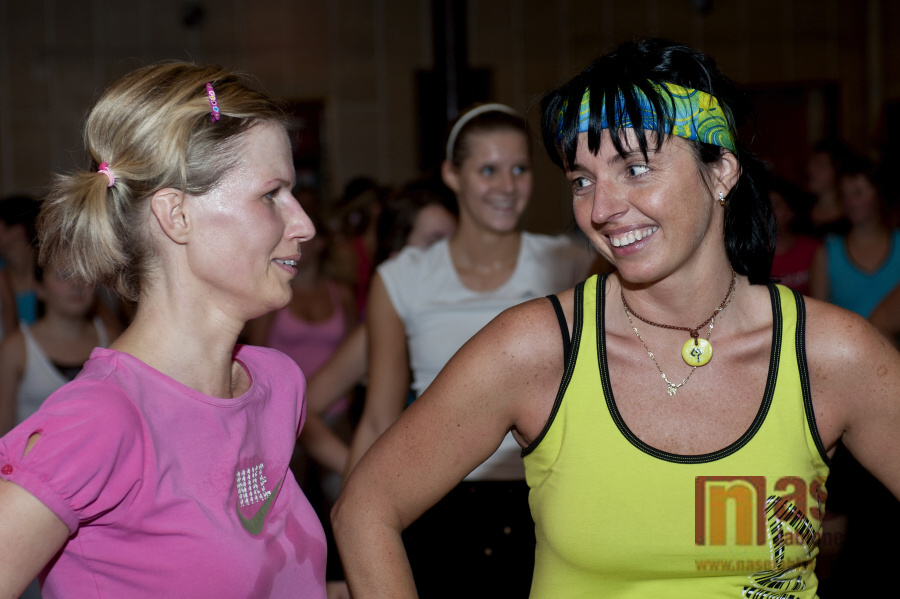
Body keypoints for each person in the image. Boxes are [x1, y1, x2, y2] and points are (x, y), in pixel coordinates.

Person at [333, 38, 900, 598]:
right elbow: (365, 507)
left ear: (721, 172)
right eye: (582, 181)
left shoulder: (830, 354)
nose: (600, 210)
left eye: (635, 168)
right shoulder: (537, 350)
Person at [0, 63, 326, 598]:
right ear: (176, 216)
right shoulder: (102, 421)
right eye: (271, 195)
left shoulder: (276, 383)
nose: (304, 224)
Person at [344, 103, 595, 597]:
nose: (507, 186)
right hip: (438, 500)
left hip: (547, 500)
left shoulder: (569, 264)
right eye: (488, 170)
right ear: (451, 175)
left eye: (519, 169)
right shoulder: (404, 279)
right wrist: (347, 550)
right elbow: (378, 420)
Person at [0, 259, 120, 435]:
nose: (77, 284)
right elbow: (3, 430)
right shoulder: (16, 349)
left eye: (84, 274)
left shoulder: (112, 341)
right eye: (63, 275)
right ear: (39, 288)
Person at [809, 155, 900, 318]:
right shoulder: (826, 254)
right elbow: (817, 320)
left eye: (858, 192)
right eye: (844, 194)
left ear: (879, 193)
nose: (850, 201)